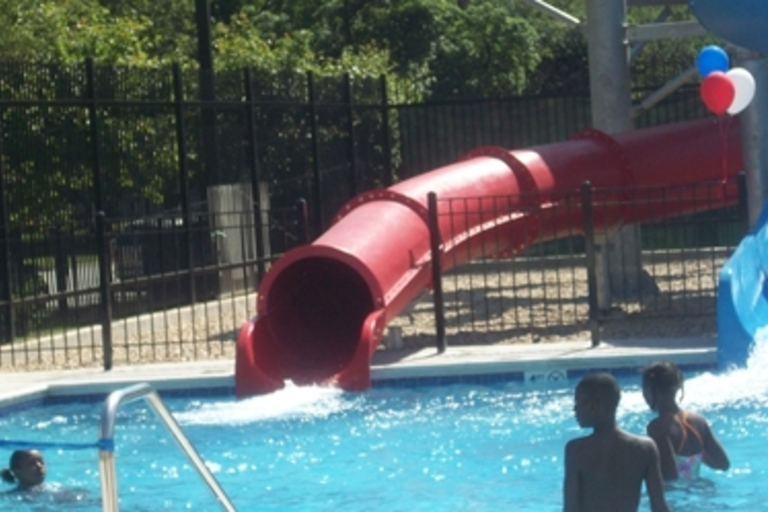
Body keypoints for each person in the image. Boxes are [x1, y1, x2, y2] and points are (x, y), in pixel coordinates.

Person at [564, 372, 669, 512]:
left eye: (579, 403)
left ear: (595, 406)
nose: (575, 409)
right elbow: (659, 506)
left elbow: (570, 508)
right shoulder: (645, 448)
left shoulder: (576, 450)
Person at [642, 360, 730, 482]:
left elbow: (670, 476)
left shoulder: (657, 428)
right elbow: (723, 464)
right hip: (700, 489)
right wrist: (694, 457)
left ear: (651, 390)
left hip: (674, 493)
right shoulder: (698, 421)